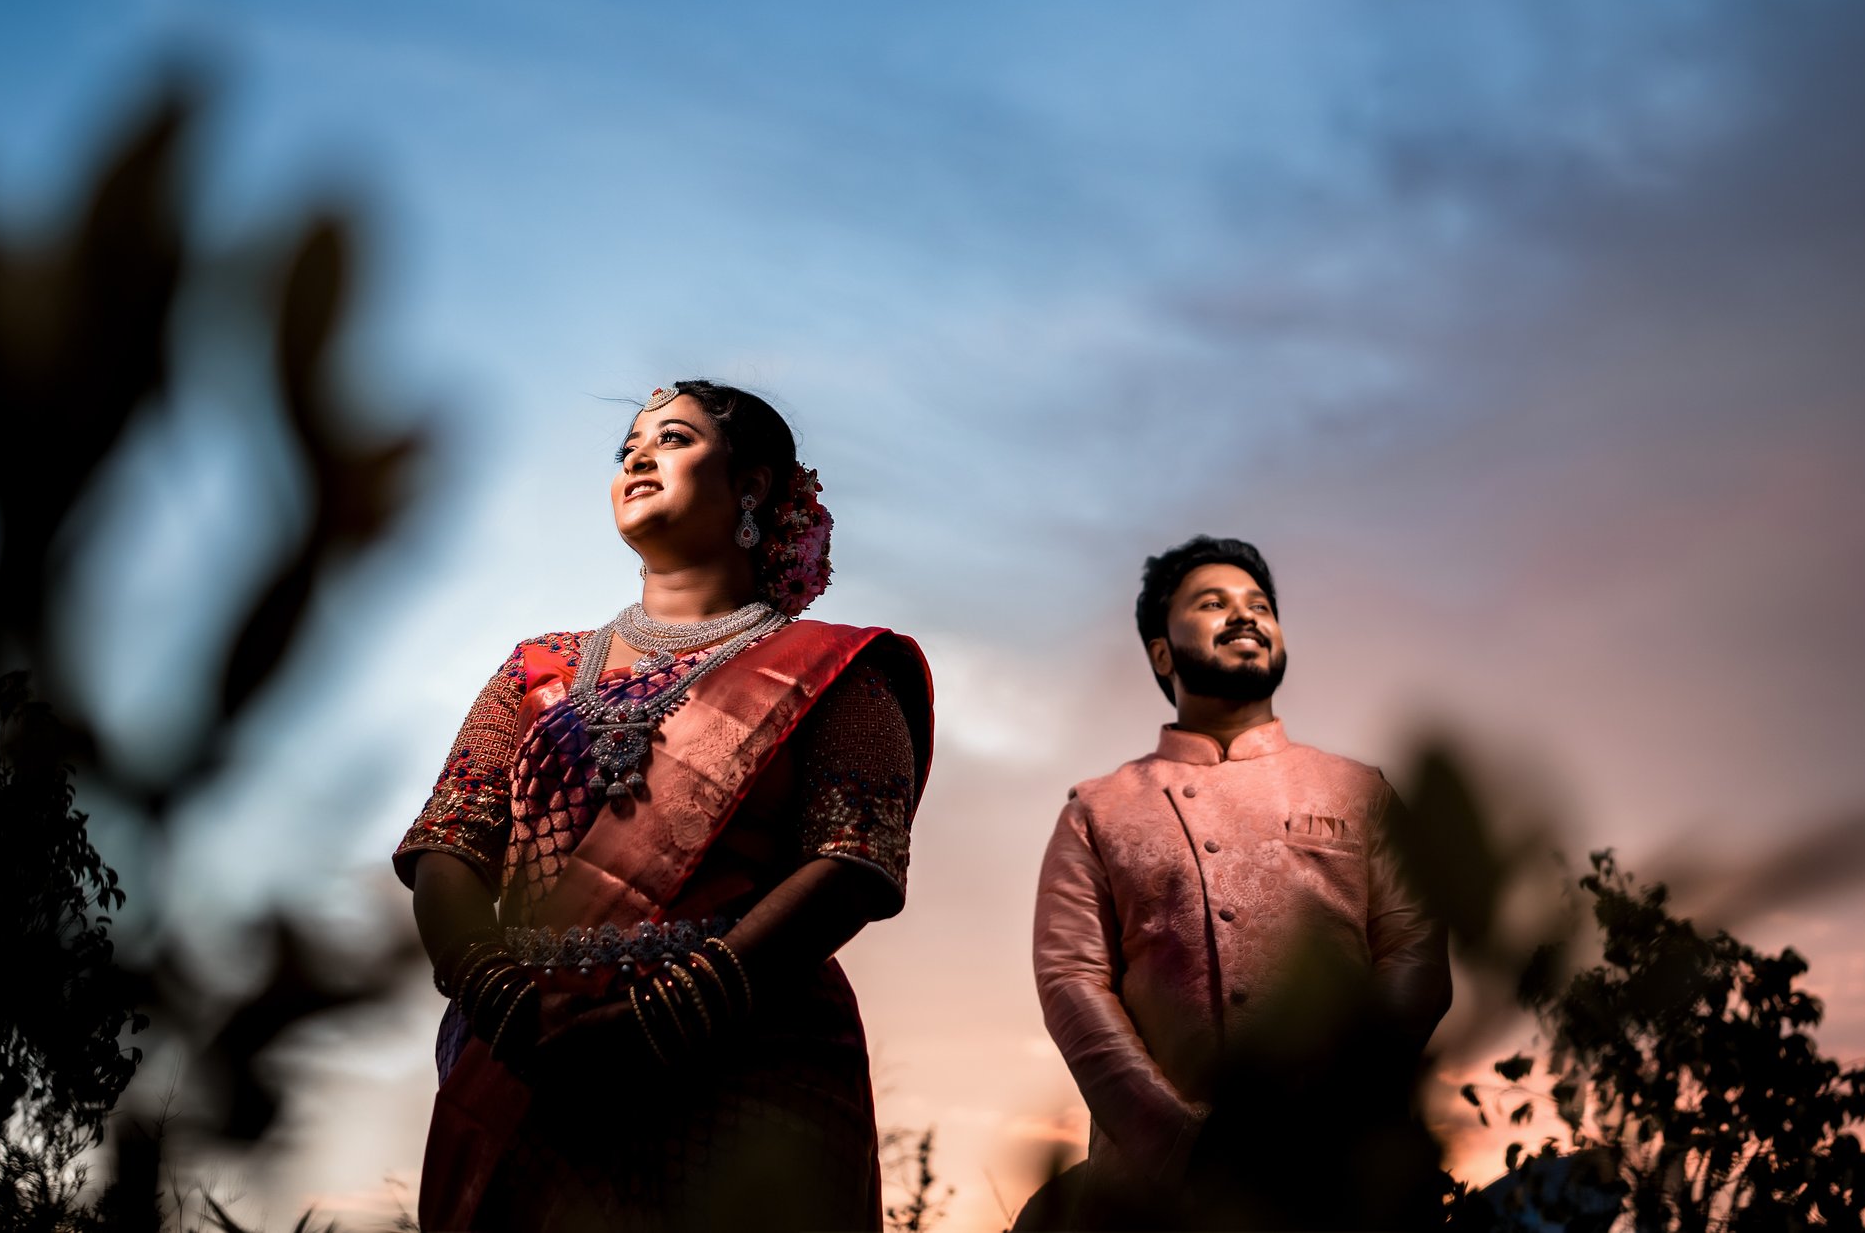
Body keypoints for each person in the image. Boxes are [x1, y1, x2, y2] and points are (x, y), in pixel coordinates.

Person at [394, 381, 933, 1233]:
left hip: (743, 1057)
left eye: (674, 438)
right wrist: (495, 991)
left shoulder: (840, 669)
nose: (640, 455)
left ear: (752, 486)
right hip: (528, 1055)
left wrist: (671, 1011)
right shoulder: (536, 667)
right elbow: (446, 844)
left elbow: (853, 862)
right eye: (629, 446)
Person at [1023, 535, 1451, 1228]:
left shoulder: (1359, 791)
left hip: (1344, 1180)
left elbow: (1416, 952)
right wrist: (1179, 1144)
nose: (1246, 615)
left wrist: (1340, 1110)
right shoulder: (1096, 809)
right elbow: (1071, 981)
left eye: (1260, 605)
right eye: (1213, 602)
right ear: (1161, 652)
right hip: (1154, 1196)